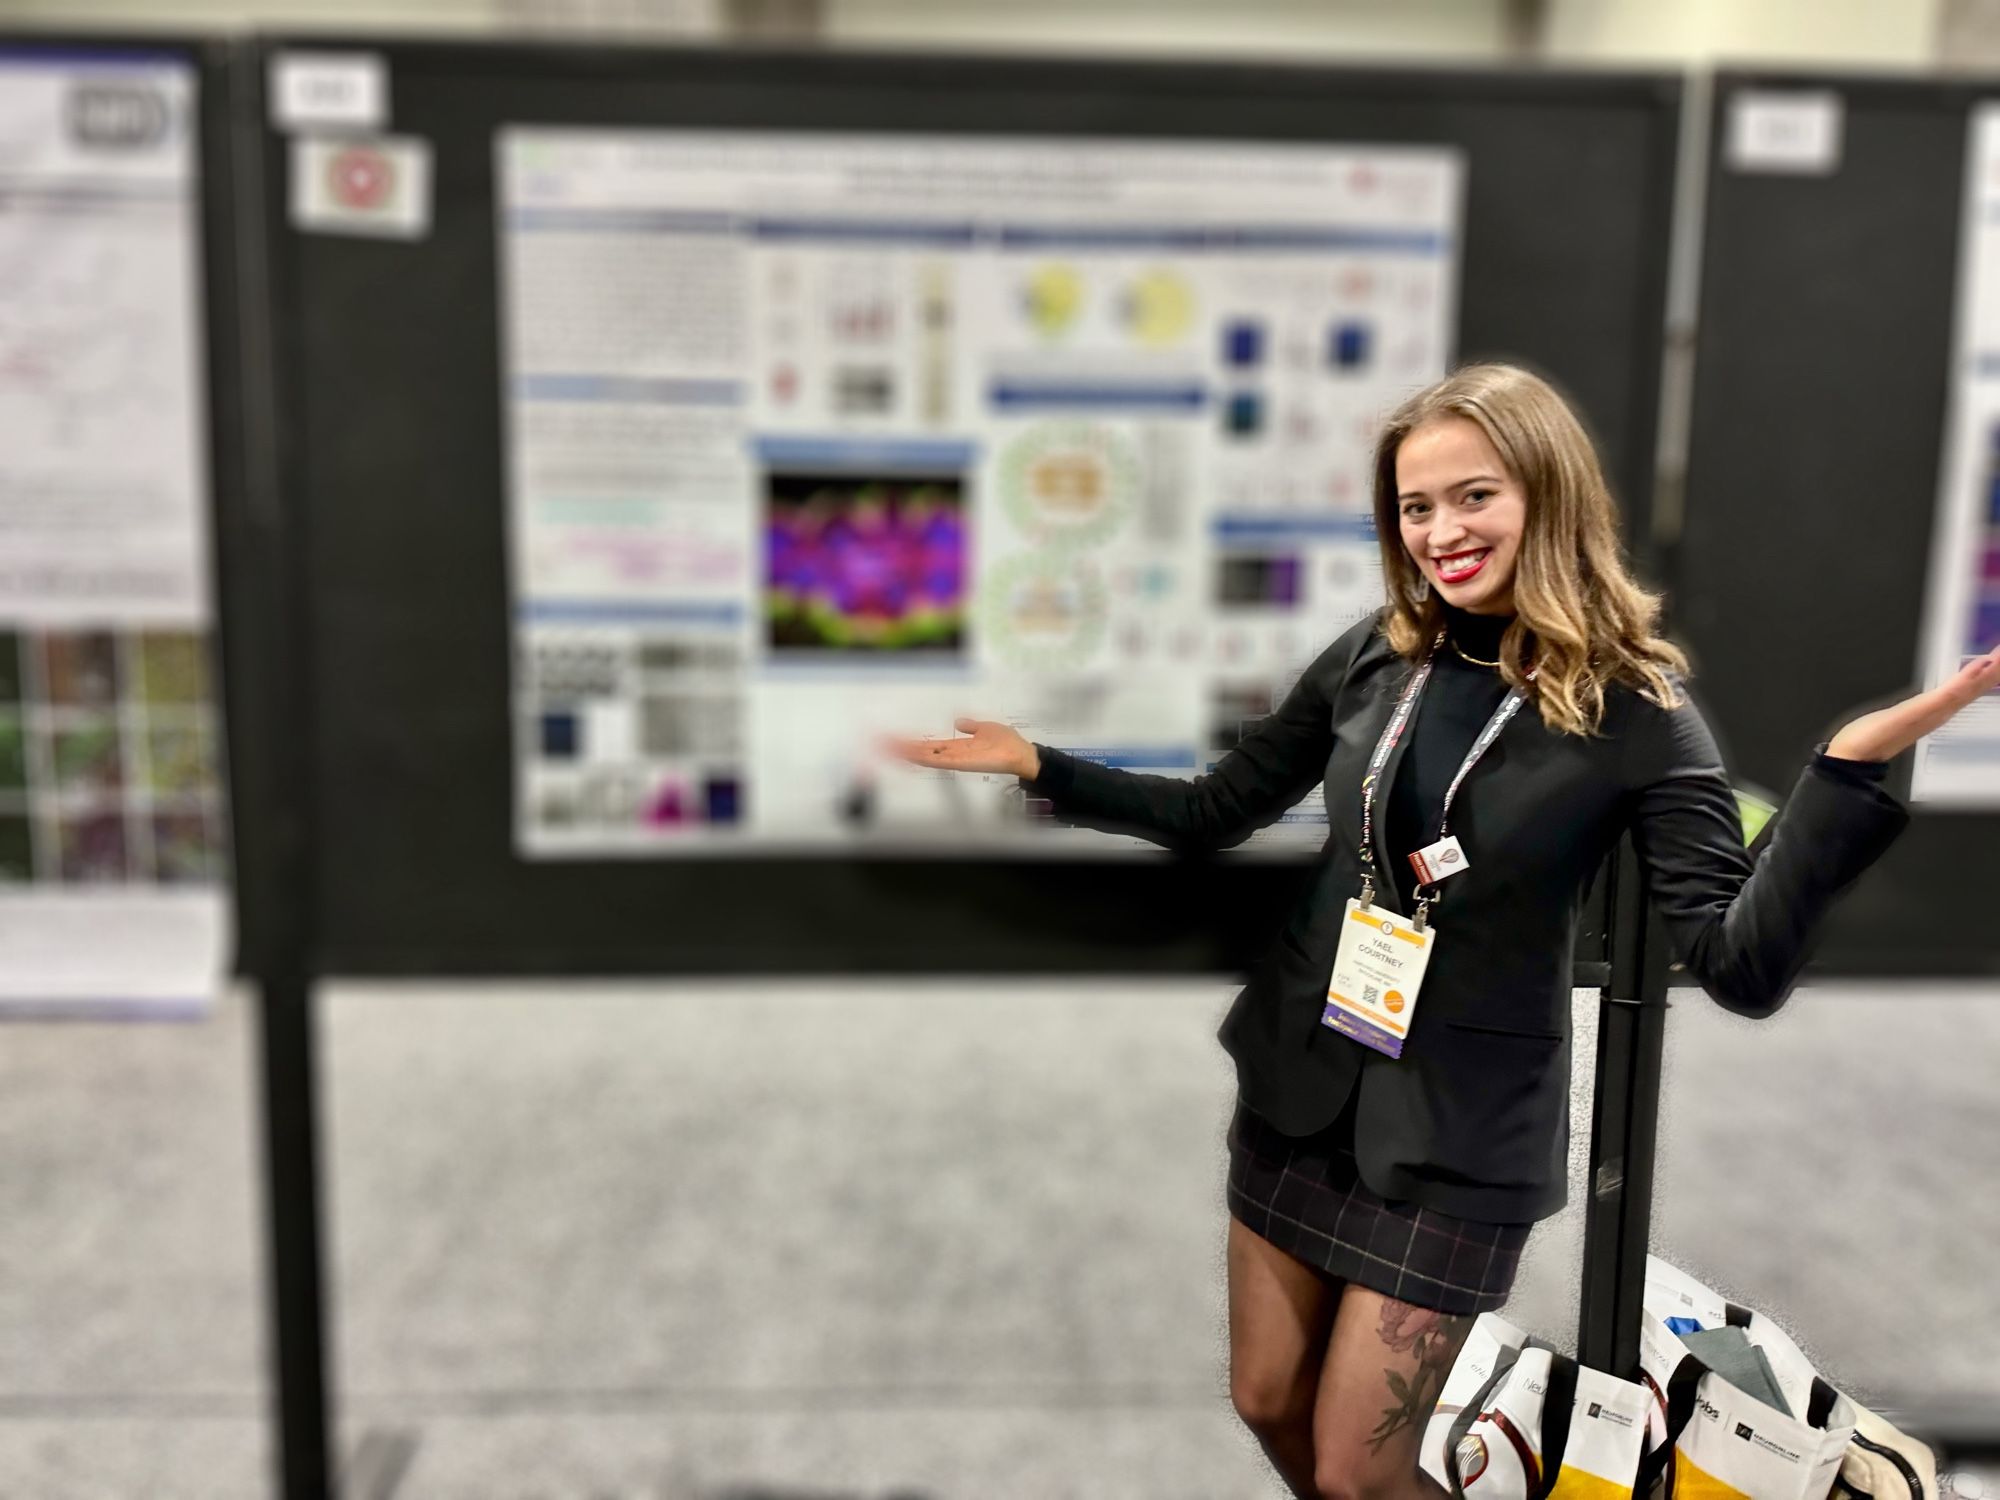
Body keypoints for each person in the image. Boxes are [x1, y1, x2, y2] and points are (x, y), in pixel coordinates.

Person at [884, 363, 1999, 1500]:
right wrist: (1041, 767)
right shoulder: (1380, 652)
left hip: (1457, 1136)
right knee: (1268, 1402)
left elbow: (1737, 962)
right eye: (1415, 506)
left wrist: (1844, 773)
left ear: (1546, 494)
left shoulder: (1640, 713)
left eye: (1473, 496)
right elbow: (1220, 806)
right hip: (1305, 1079)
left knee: (1359, 1473)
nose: (1439, 531)